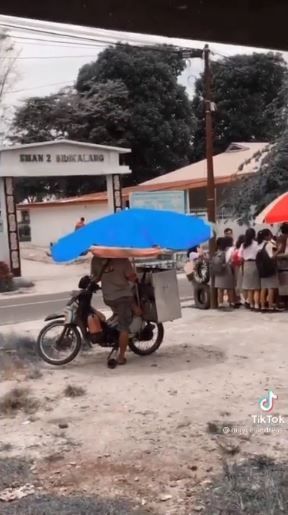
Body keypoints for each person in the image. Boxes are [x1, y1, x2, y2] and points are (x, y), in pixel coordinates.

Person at [92, 257, 139, 365]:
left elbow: (95, 278)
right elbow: (131, 278)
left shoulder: (96, 258)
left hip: (108, 298)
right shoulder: (123, 259)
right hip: (122, 298)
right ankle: (121, 357)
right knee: (124, 327)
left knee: (119, 312)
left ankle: (115, 333)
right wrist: (135, 276)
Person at [257, 229, 280, 312]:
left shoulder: (259, 244)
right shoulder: (269, 244)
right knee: (271, 288)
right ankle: (270, 306)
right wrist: (278, 250)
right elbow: (271, 257)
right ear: (267, 236)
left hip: (261, 269)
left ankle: (262, 306)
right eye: (270, 234)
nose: (271, 236)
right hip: (270, 268)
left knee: (263, 288)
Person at [239, 228, 260, 310]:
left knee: (249, 288)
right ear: (254, 235)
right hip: (255, 264)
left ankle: (251, 305)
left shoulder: (243, 245)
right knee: (256, 288)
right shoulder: (256, 244)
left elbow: (240, 257)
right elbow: (259, 253)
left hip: (246, 265)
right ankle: (256, 305)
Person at [214, 236, 235, 308]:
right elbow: (230, 261)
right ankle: (231, 302)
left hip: (218, 271)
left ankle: (220, 303)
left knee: (220, 289)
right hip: (226, 270)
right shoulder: (227, 252)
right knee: (230, 288)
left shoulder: (216, 252)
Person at [231, 234, 245, 306]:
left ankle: (237, 299)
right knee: (241, 283)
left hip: (236, 267)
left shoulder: (235, 249)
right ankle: (240, 298)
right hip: (241, 266)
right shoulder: (242, 248)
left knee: (237, 282)